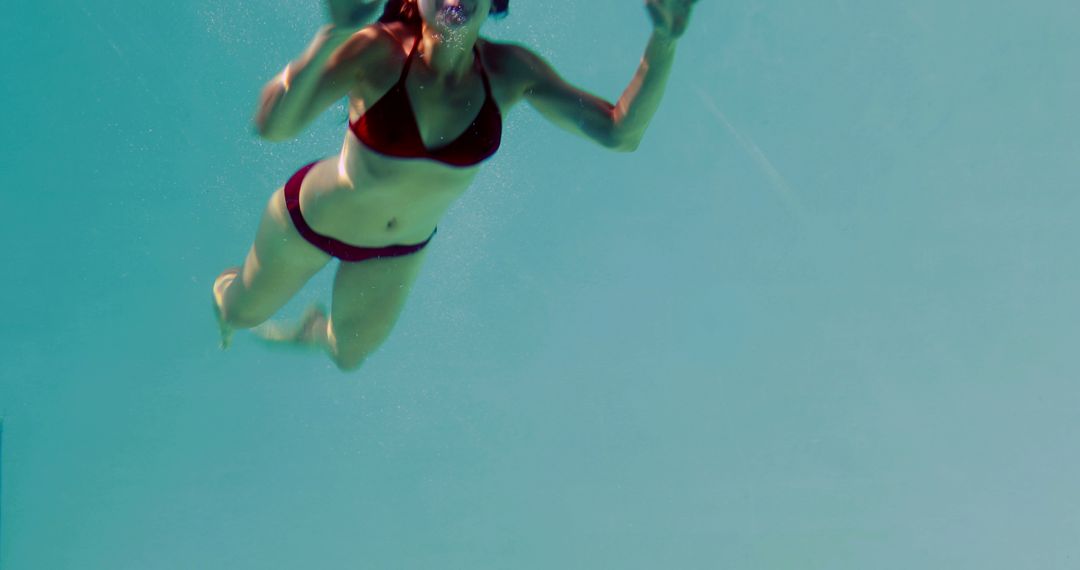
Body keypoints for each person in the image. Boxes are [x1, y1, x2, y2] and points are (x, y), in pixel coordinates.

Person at [212, 0, 700, 371]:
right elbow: (272, 125)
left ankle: (315, 330)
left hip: (397, 251)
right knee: (239, 315)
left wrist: (666, 39)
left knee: (347, 356)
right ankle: (224, 289)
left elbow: (619, 132)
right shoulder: (376, 51)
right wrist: (332, 33)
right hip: (310, 220)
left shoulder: (511, 72)